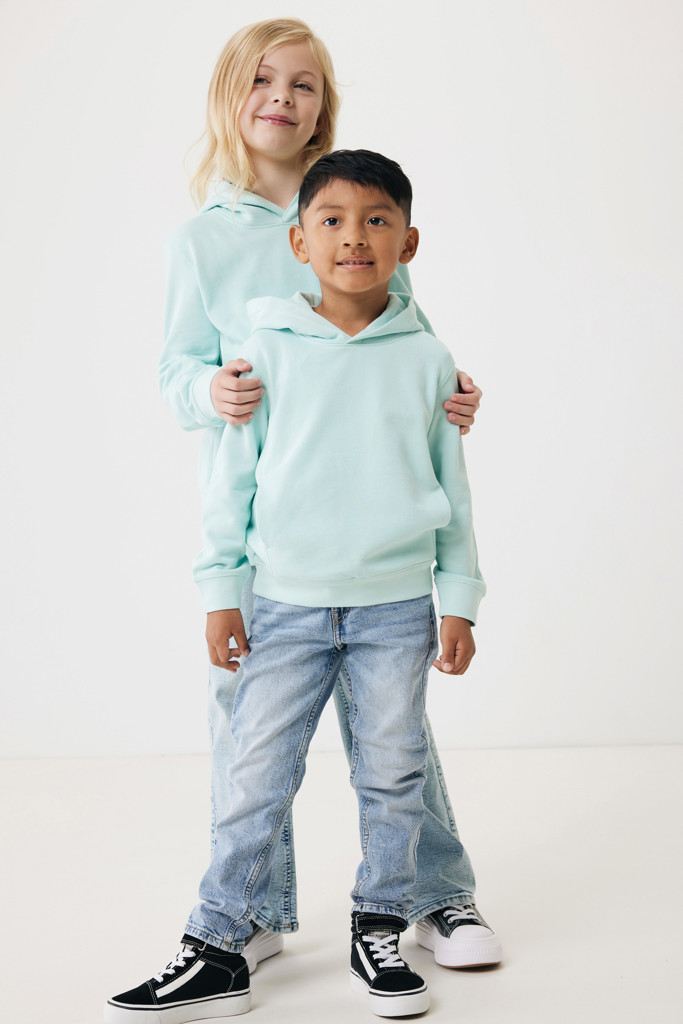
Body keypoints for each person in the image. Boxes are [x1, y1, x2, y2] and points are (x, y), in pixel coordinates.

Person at [106, 149, 486, 1022]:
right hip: (284, 605)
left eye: (377, 220)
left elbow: (454, 491)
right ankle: (217, 944)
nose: (354, 237)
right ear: (298, 242)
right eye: (332, 221)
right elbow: (232, 484)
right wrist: (220, 592)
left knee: (392, 775)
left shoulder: (428, 359)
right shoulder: (263, 353)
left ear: (408, 243)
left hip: (396, 609)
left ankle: (379, 925)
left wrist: (458, 600)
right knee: (254, 777)